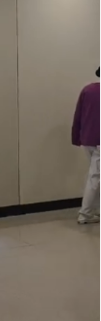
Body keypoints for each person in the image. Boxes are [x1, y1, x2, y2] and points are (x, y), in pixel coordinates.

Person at [72, 67, 100, 225]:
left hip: (88, 139)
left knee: (95, 175)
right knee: (95, 177)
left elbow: (78, 115)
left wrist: (76, 137)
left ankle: (95, 210)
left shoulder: (88, 90)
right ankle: (85, 214)